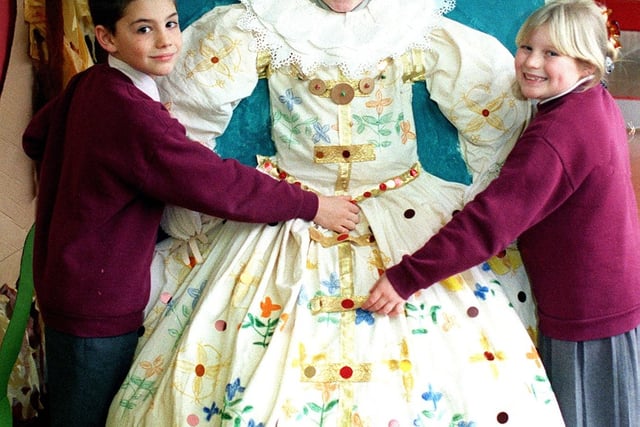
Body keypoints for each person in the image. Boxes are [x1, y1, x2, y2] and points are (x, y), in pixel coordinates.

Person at [107, 0, 566, 425]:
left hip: (403, 208)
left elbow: (496, 106)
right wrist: (193, 206)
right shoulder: (266, 22)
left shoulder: (409, 24)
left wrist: (484, 196)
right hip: (292, 208)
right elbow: (189, 109)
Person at [21, 0, 361, 425]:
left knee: (72, 402)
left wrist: (80, 176)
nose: (165, 40)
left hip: (66, 277)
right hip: (98, 301)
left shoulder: (92, 83)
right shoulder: (134, 115)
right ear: (107, 37)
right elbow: (218, 185)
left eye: (171, 23)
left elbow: (34, 138)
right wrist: (312, 205)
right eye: (143, 30)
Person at [363, 0, 640, 425]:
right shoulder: (592, 102)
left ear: (587, 64)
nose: (530, 62)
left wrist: (406, 278)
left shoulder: (557, 135)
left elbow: (489, 223)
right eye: (526, 47)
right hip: (611, 296)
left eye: (552, 53)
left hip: (586, 313)